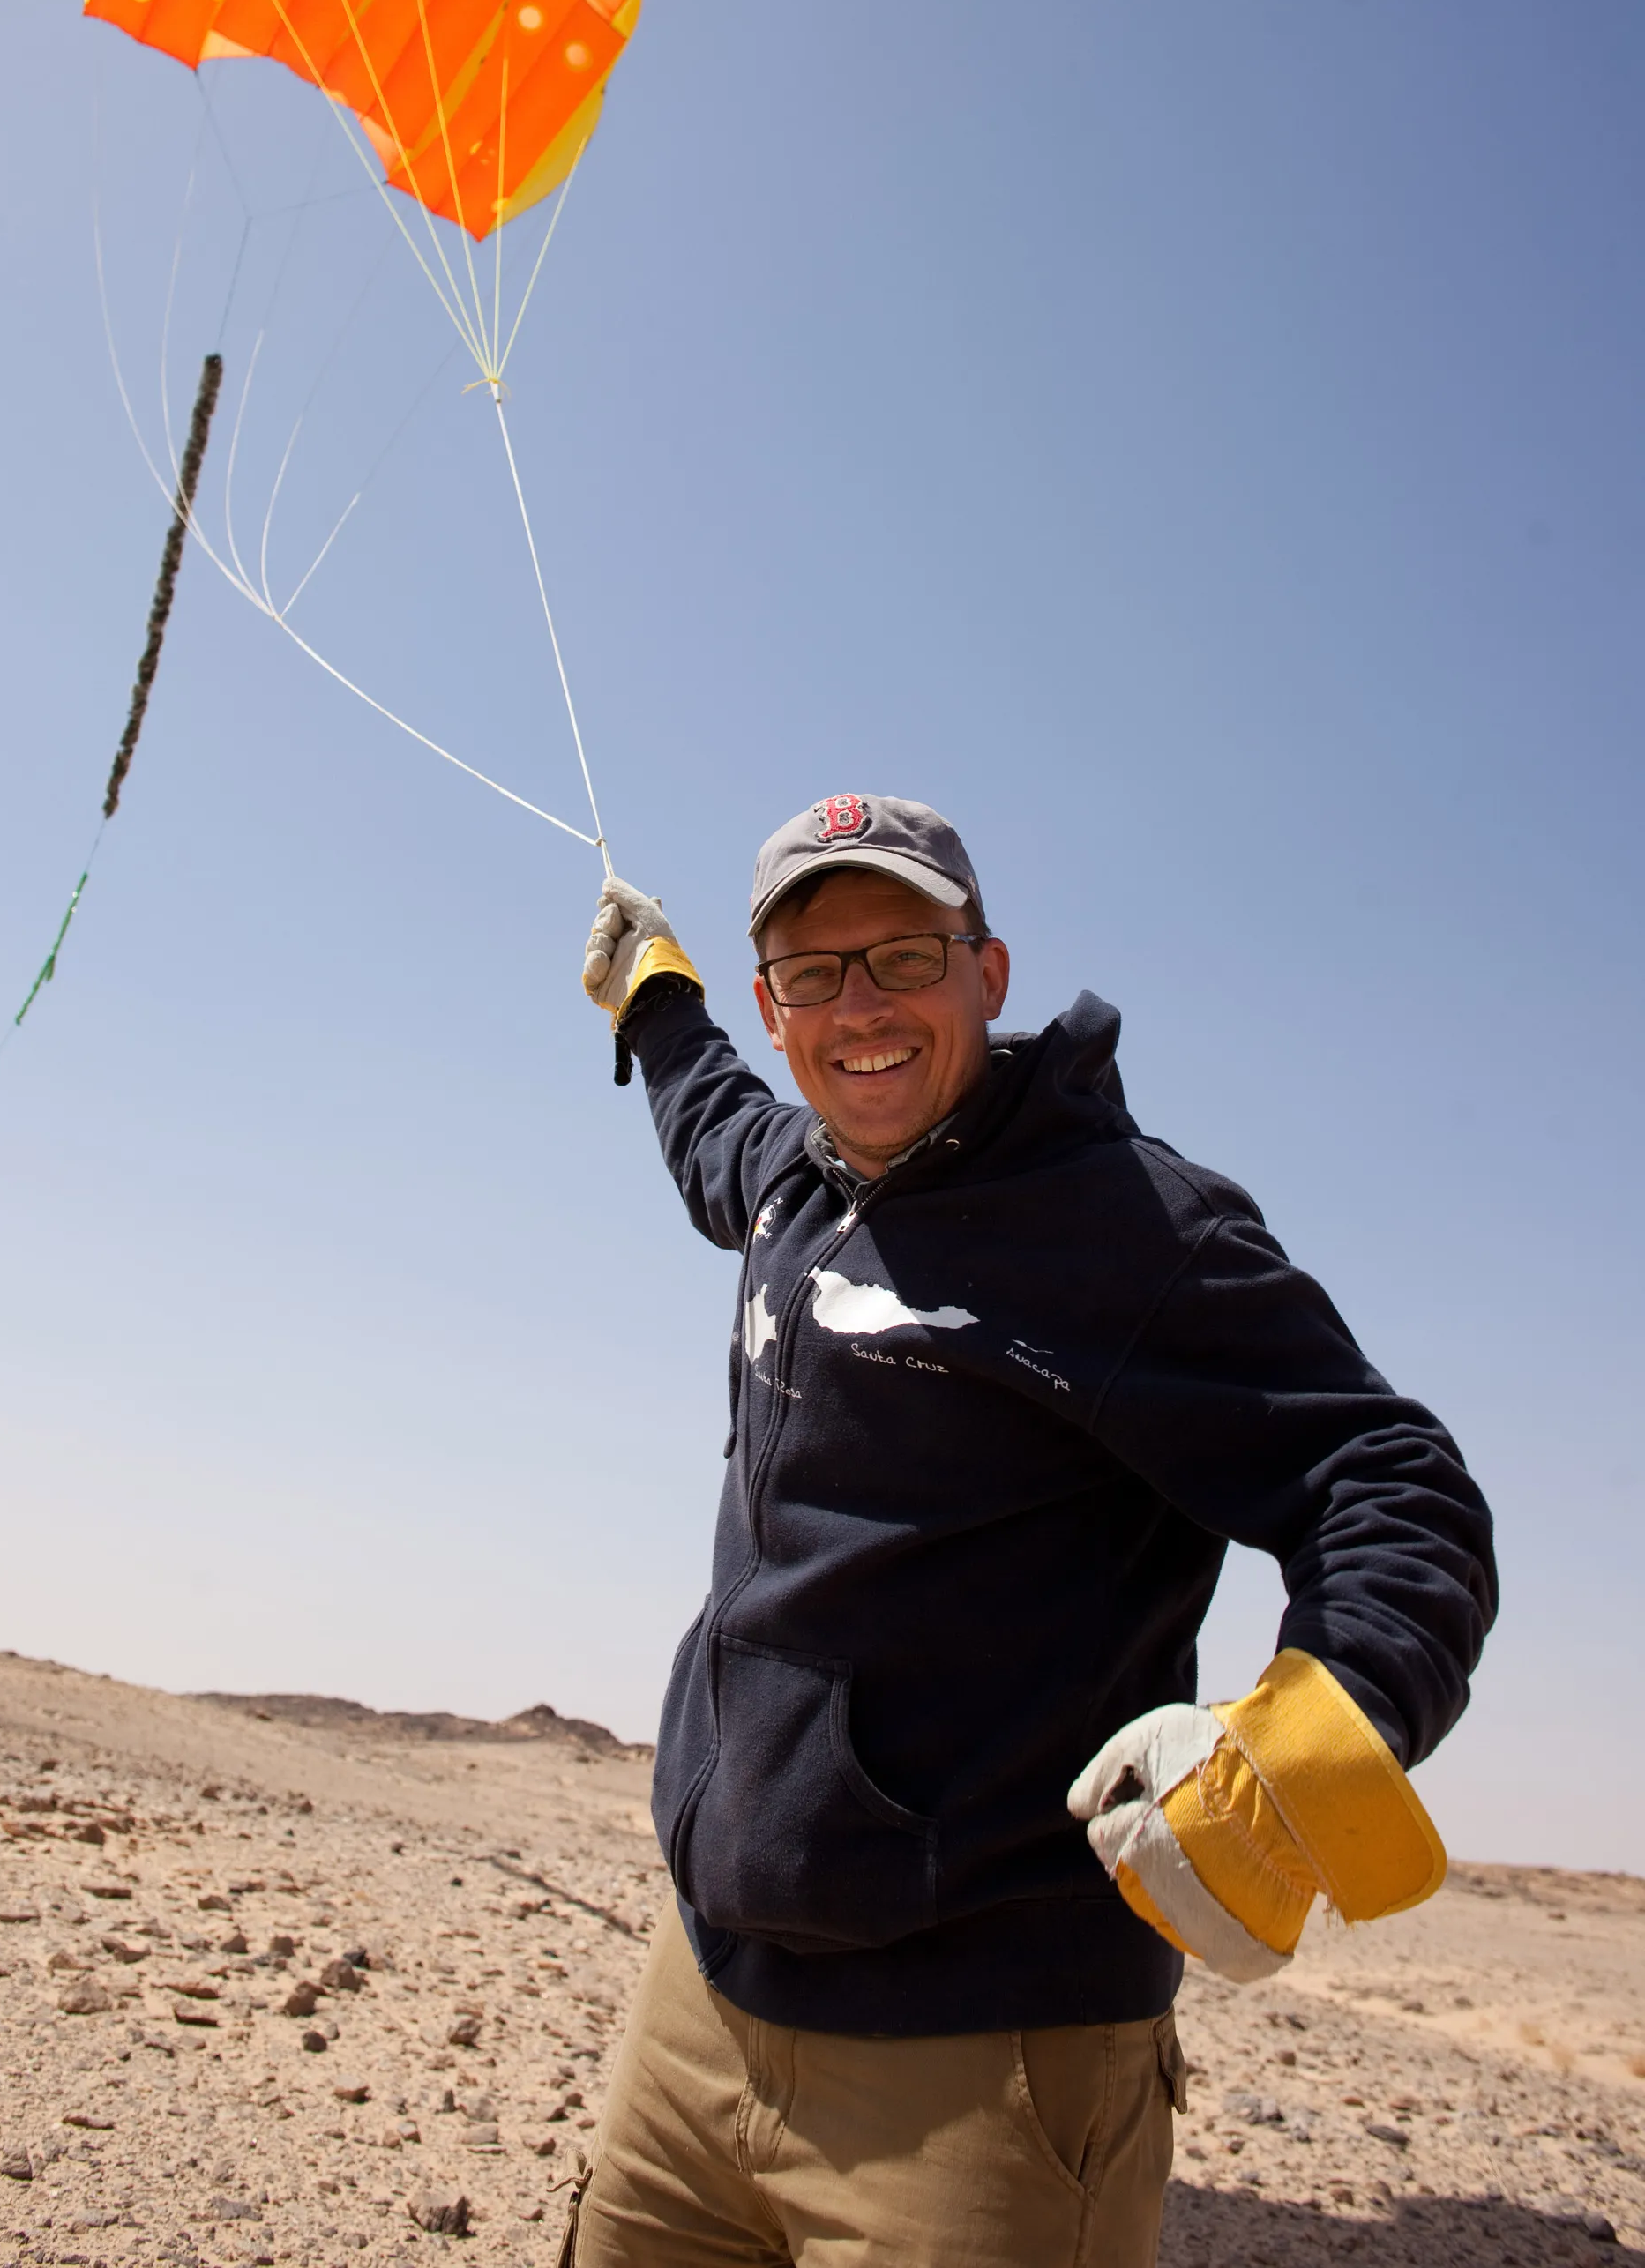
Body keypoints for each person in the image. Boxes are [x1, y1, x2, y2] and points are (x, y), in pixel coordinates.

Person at [568, 793, 1496, 2268]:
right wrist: (658, 1001)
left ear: (986, 974)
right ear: (774, 1005)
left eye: (903, 959)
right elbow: (713, 1125)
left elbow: (1389, 1482)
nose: (857, 1008)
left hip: (979, 2071)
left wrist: (1310, 1743)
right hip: (697, 2015)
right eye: (813, 976)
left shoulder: (1128, 1229)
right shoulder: (791, 1186)